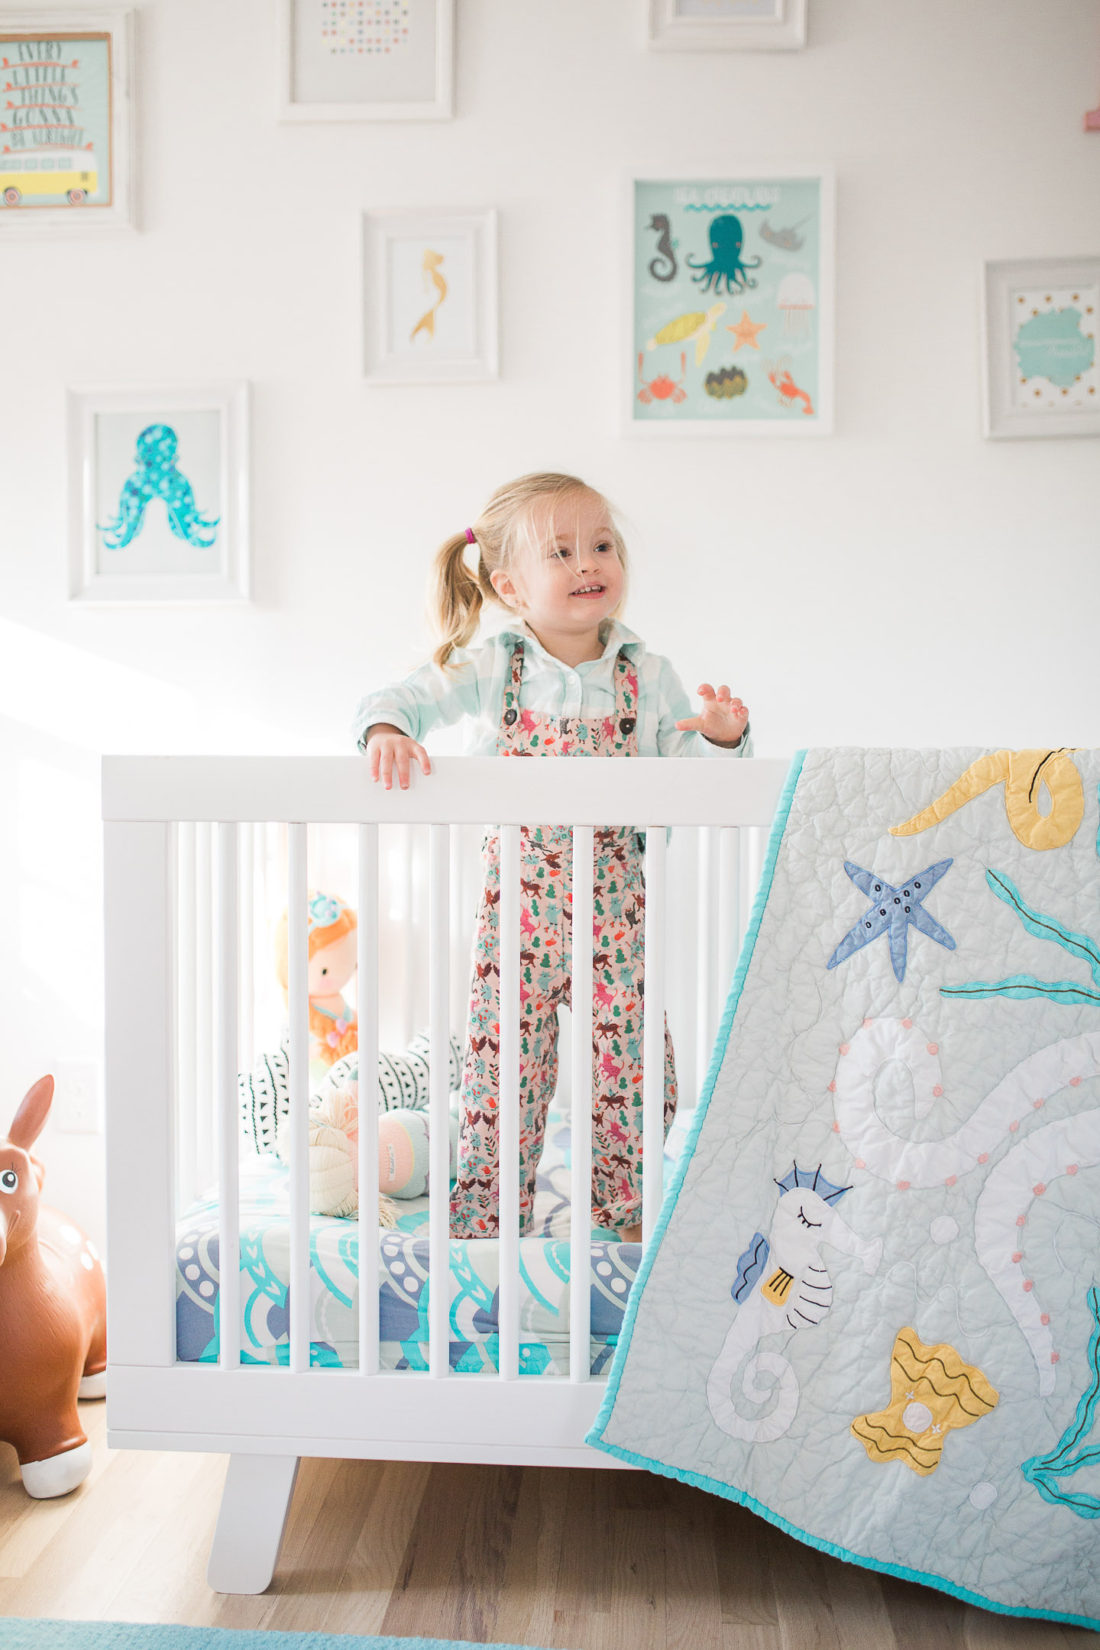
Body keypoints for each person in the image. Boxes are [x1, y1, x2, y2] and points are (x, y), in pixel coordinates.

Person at [353, 471, 751, 1241]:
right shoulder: (495, 667)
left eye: (601, 546)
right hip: (520, 917)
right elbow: (394, 699)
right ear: (510, 584)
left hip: (615, 912)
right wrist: (387, 735)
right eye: (561, 553)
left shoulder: (647, 674)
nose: (587, 564)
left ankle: (628, 1216)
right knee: (503, 1071)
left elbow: (692, 771)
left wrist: (722, 735)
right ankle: (487, 1217)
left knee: (631, 1070)